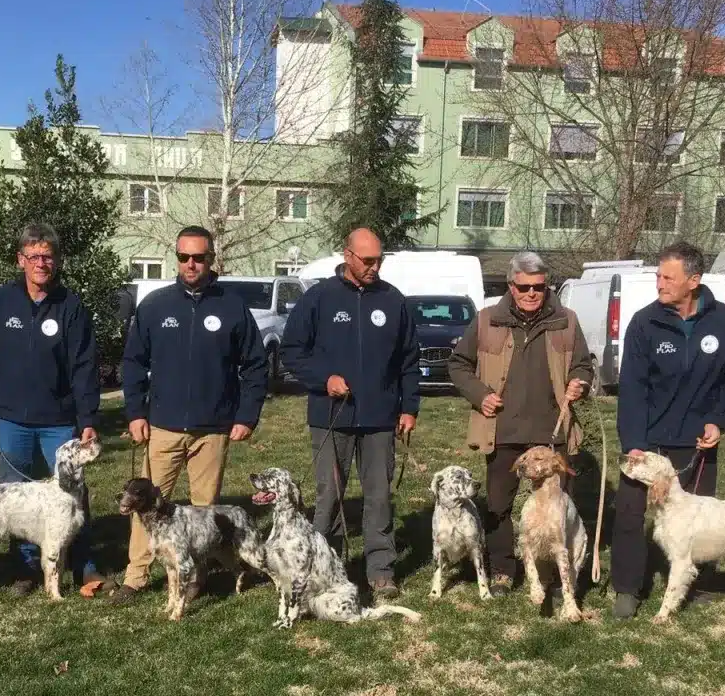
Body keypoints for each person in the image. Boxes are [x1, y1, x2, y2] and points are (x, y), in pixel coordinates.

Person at [113, 225, 269, 604]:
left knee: (203, 510)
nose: (191, 264)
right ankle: (135, 577)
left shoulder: (232, 306)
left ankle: (196, 576)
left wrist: (246, 416)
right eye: (184, 257)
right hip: (162, 425)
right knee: (145, 505)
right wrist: (135, 412)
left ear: (211, 259)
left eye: (199, 257)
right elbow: (133, 363)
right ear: (177, 258)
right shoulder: (155, 305)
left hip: (213, 427)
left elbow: (255, 365)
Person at [611, 240, 725, 618]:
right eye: (659, 276)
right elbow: (632, 388)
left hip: (696, 443)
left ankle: (696, 584)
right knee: (630, 515)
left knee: (700, 519)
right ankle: (627, 589)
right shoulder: (645, 323)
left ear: (693, 281)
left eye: (668, 278)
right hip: (648, 443)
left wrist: (719, 419)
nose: (659, 284)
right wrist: (634, 443)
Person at [280, 227, 420, 599]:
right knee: (330, 495)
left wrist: (409, 407)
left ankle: (381, 571)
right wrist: (323, 379)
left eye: (379, 260)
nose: (374, 267)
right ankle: (326, 569)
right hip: (331, 415)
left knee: (379, 496)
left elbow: (409, 360)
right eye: (367, 260)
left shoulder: (393, 300)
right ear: (347, 255)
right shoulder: (319, 298)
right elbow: (292, 351)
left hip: (380, 418)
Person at [447, 251, 595, 591]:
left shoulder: (567, 321)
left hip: (553, 431)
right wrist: (480, 395)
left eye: (539, 287)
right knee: (499, 505)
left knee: (559, 507)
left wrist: (580, 382)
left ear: (547, 286)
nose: (531, 293)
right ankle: (503, 569)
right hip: (503, 429)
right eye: (524, 287)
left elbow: (583, 365)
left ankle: (556, 571)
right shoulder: (487, 320)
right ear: (511, 286)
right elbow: (458, 364)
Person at [0, 223, 102, 596]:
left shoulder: (71, 305)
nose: (41, 263)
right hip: (11, 418)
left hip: (59, 419)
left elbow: (84, 366)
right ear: (20, 260)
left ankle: (84, 565)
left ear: (56, 261)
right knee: (16, 497)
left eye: (48, 256)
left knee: (74, 492)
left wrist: (87, 418)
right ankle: (25, 568)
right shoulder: (0, 301)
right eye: (33, 256)